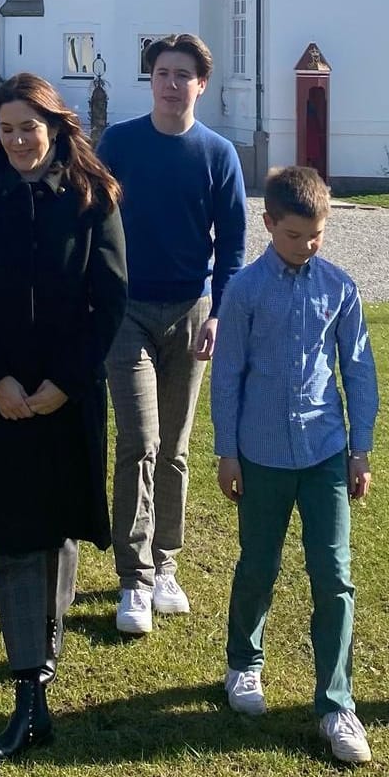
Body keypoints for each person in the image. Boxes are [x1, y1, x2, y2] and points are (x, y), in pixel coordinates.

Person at [0, 72, 127, 761]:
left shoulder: (91, 197)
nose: (19, 139)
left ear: (55, 128)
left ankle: (41, 660)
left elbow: (108, 299)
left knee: (59, 527)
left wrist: (65, 382)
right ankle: (30, 692)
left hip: (66, 390)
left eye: (30, 126)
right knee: (17, 534)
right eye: (7, 128)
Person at [211, 166, 377, 765]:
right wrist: (226, 450)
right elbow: (227, 373)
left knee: (334, 576)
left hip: (325, 453)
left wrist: (361, 448)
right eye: (292, 236)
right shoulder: (245, 290)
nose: (305, 247)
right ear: (269, 225)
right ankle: (243, 664)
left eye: (315, 236)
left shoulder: (340, 288)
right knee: (258, 564)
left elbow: (357, 369)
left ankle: (337, 703)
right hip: (260, 455)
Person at [96, 33, 247, 634]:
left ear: (200, 85)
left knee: (176, 450)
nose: (171, 83)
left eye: (183, 74)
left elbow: (233, 245)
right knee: (139, 439)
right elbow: (92, 217)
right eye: (162, 72)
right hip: (127, 310)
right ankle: (132, 578)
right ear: (150, 79)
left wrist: (219, 315)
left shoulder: (218, 154)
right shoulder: (120, 143)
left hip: (190, 311)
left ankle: (166, 565)